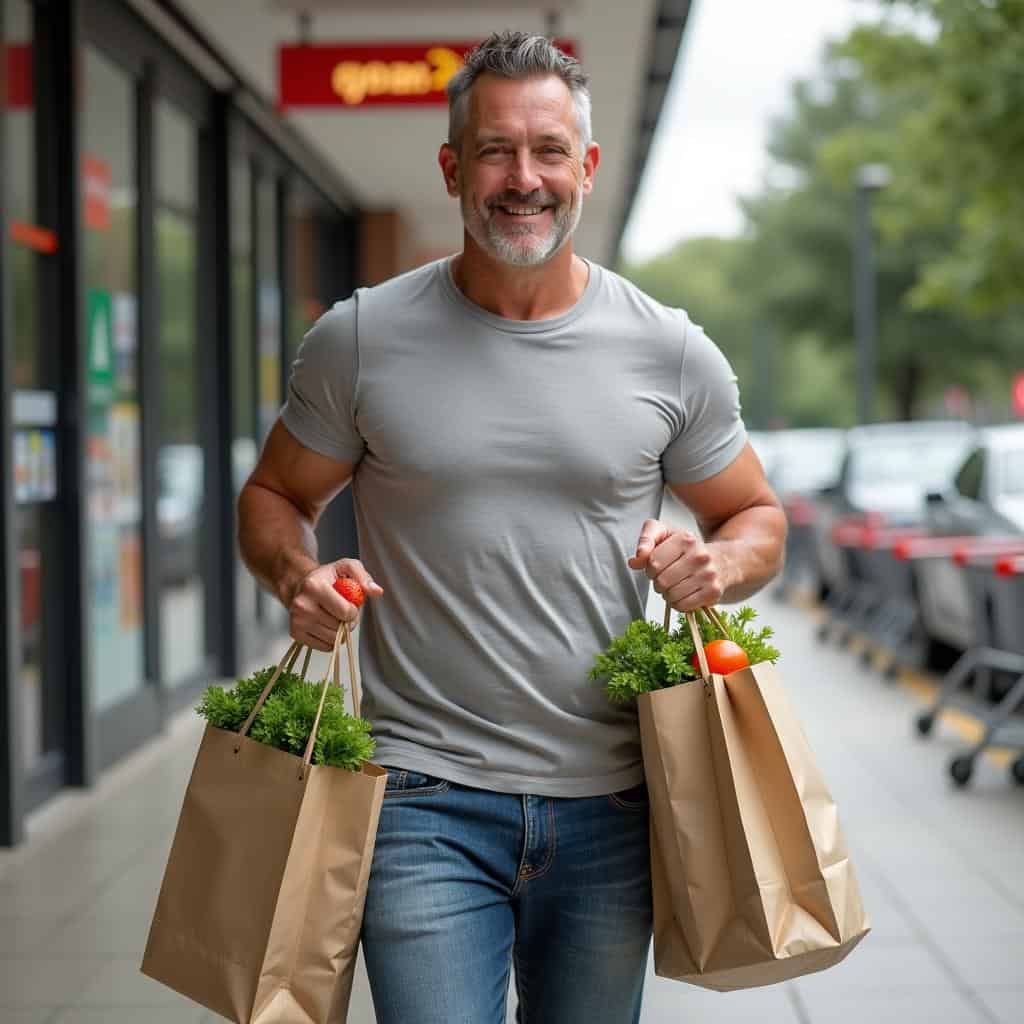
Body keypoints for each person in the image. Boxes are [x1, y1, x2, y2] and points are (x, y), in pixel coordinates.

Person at [238, 30, 786, 1024]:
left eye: (547, 151)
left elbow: (755, 516)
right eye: (495, 150)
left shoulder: (669, 350)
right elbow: (274, 494)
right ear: (453, 168)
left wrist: (719, 563)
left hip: (612, 799)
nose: (523, 178)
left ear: (588, 166)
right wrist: (295, 576)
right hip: (419, 797)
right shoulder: (359, 338)